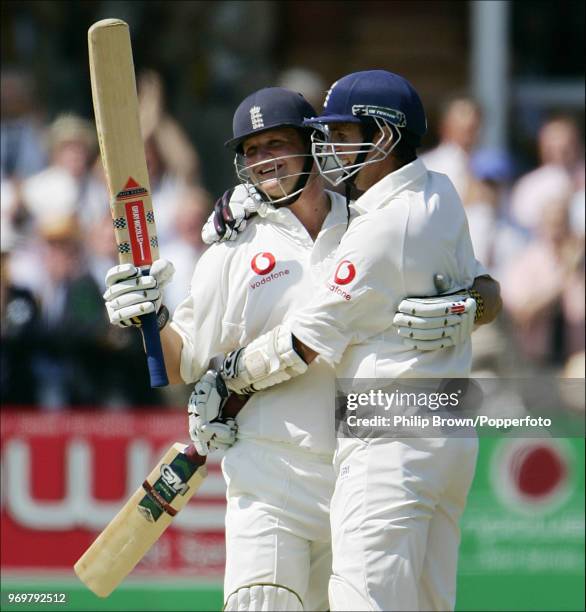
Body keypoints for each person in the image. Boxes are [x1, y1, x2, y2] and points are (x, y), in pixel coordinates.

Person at [207, 71, 501, 611]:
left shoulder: (379, 231)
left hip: (387, 440)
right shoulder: (441, 191)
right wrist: (470, 308)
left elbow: (303, 341)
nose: (329, 150)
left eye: (341, 135)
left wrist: (226, 379)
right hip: (449, 437)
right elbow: (488, 288)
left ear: (384, 138)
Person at [103, 87, 349, 611]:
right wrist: (149, 316)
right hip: (271, 478)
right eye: (252, 151)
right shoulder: (234, 251)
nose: (264, 161)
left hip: (362, 476)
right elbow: (181, 361)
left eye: (277, 144)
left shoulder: (368, 227)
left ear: (313, 146)